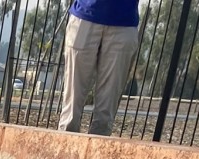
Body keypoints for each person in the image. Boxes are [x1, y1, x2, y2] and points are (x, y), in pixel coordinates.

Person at [58, 0, 140, 136]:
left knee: (105, 114)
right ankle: (64, 153)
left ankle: (97, 153)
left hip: (124, 23)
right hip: (84, 17)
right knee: (71, 109)